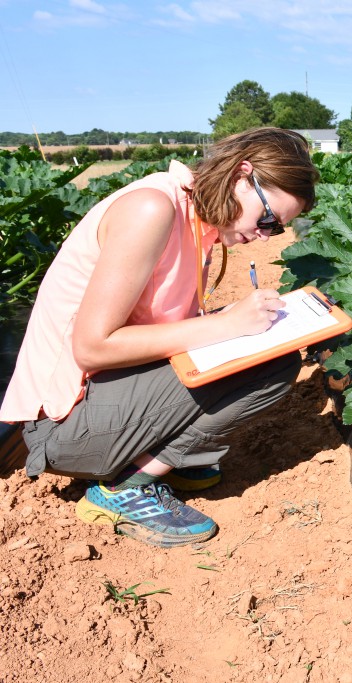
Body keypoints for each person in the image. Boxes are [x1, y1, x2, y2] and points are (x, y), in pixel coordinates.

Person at [0, 127, 320, 547]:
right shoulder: (151, 209)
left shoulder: (194, 218)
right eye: (267, 220)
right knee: (269, 366)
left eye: (275, 230)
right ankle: (127, 485)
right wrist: (226, 325)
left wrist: (232, 322)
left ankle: (158, 455)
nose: (263, 235)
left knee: (273, 356)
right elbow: (92, 346)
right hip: (62, 427)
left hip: (99, 399)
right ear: (243, 175)